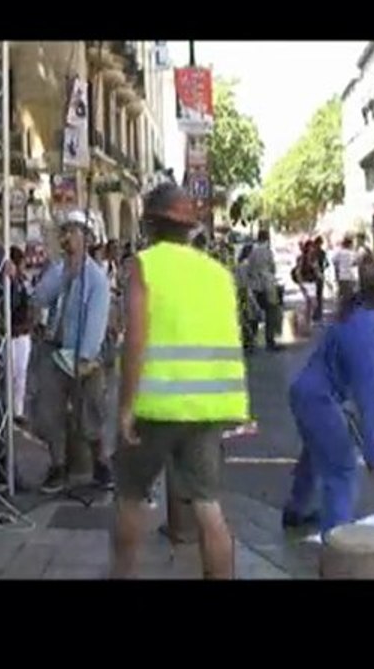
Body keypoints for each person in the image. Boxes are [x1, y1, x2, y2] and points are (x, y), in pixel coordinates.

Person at [111, 183, 250, 580]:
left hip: (155, 405)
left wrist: (126, 407)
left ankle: (122, 574)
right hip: (207, 407)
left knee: (131, 496)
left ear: (149, 225)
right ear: (190, 229)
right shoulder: (217, 274)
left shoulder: (145, 265)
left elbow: (136, 338)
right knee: (208, 506)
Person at [281, 269, 374, 537]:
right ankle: (337, 542)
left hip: (308, 392)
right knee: (342, 471)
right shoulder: (367, 330)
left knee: (316, 452)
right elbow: (370, 398)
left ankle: (296, 509)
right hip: (320, 399)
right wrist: (373, 454)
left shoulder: (361, 314)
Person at [31, 209, 113, 494]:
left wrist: (86, 356)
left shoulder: (96, 279)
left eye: (72, 232)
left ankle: (101, 464)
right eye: (64, 232)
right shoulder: (59, 270)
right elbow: (40, 297)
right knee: (49, 412)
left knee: (90, 413)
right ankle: (58, 466)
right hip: (55, 351)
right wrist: (63, 273)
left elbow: (96, 319)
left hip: (84, 356)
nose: (66, 238)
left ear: (86, 237)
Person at [246, 229, 281, 351]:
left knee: (254, 314)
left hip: (255, 286)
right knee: (271, 312)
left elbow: (249, 269)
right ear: (267, 238)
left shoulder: (252, 252)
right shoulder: (268, 251)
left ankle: (251, 340)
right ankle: (269, 340)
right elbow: (273, 268)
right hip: (267, 286)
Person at [10, 246, 32, 425]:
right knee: (11, 372)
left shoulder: (24, 283)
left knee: (21, 373)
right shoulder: (7, 285)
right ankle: (8, 408)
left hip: (23, 333)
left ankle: (18, 409)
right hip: (11, 333)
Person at [332, 234, 359, 308]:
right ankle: (348, 310)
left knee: (342, 295)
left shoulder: (339, 252)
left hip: (342, 276)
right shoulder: (352, 253)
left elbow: (334, 262)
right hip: (351, 277)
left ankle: (342, 309)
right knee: (349, 296)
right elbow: (355, 263)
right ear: (350, 244)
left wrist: (337, 272)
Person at [312, 236, 328, 321]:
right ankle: (319, 313)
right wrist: (322, 269)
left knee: (315, 295)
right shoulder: (322, 252)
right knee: (319, 295)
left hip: (313, 276)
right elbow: (327, 263)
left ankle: (316, 313)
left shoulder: (313, 252)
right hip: (320, 274)